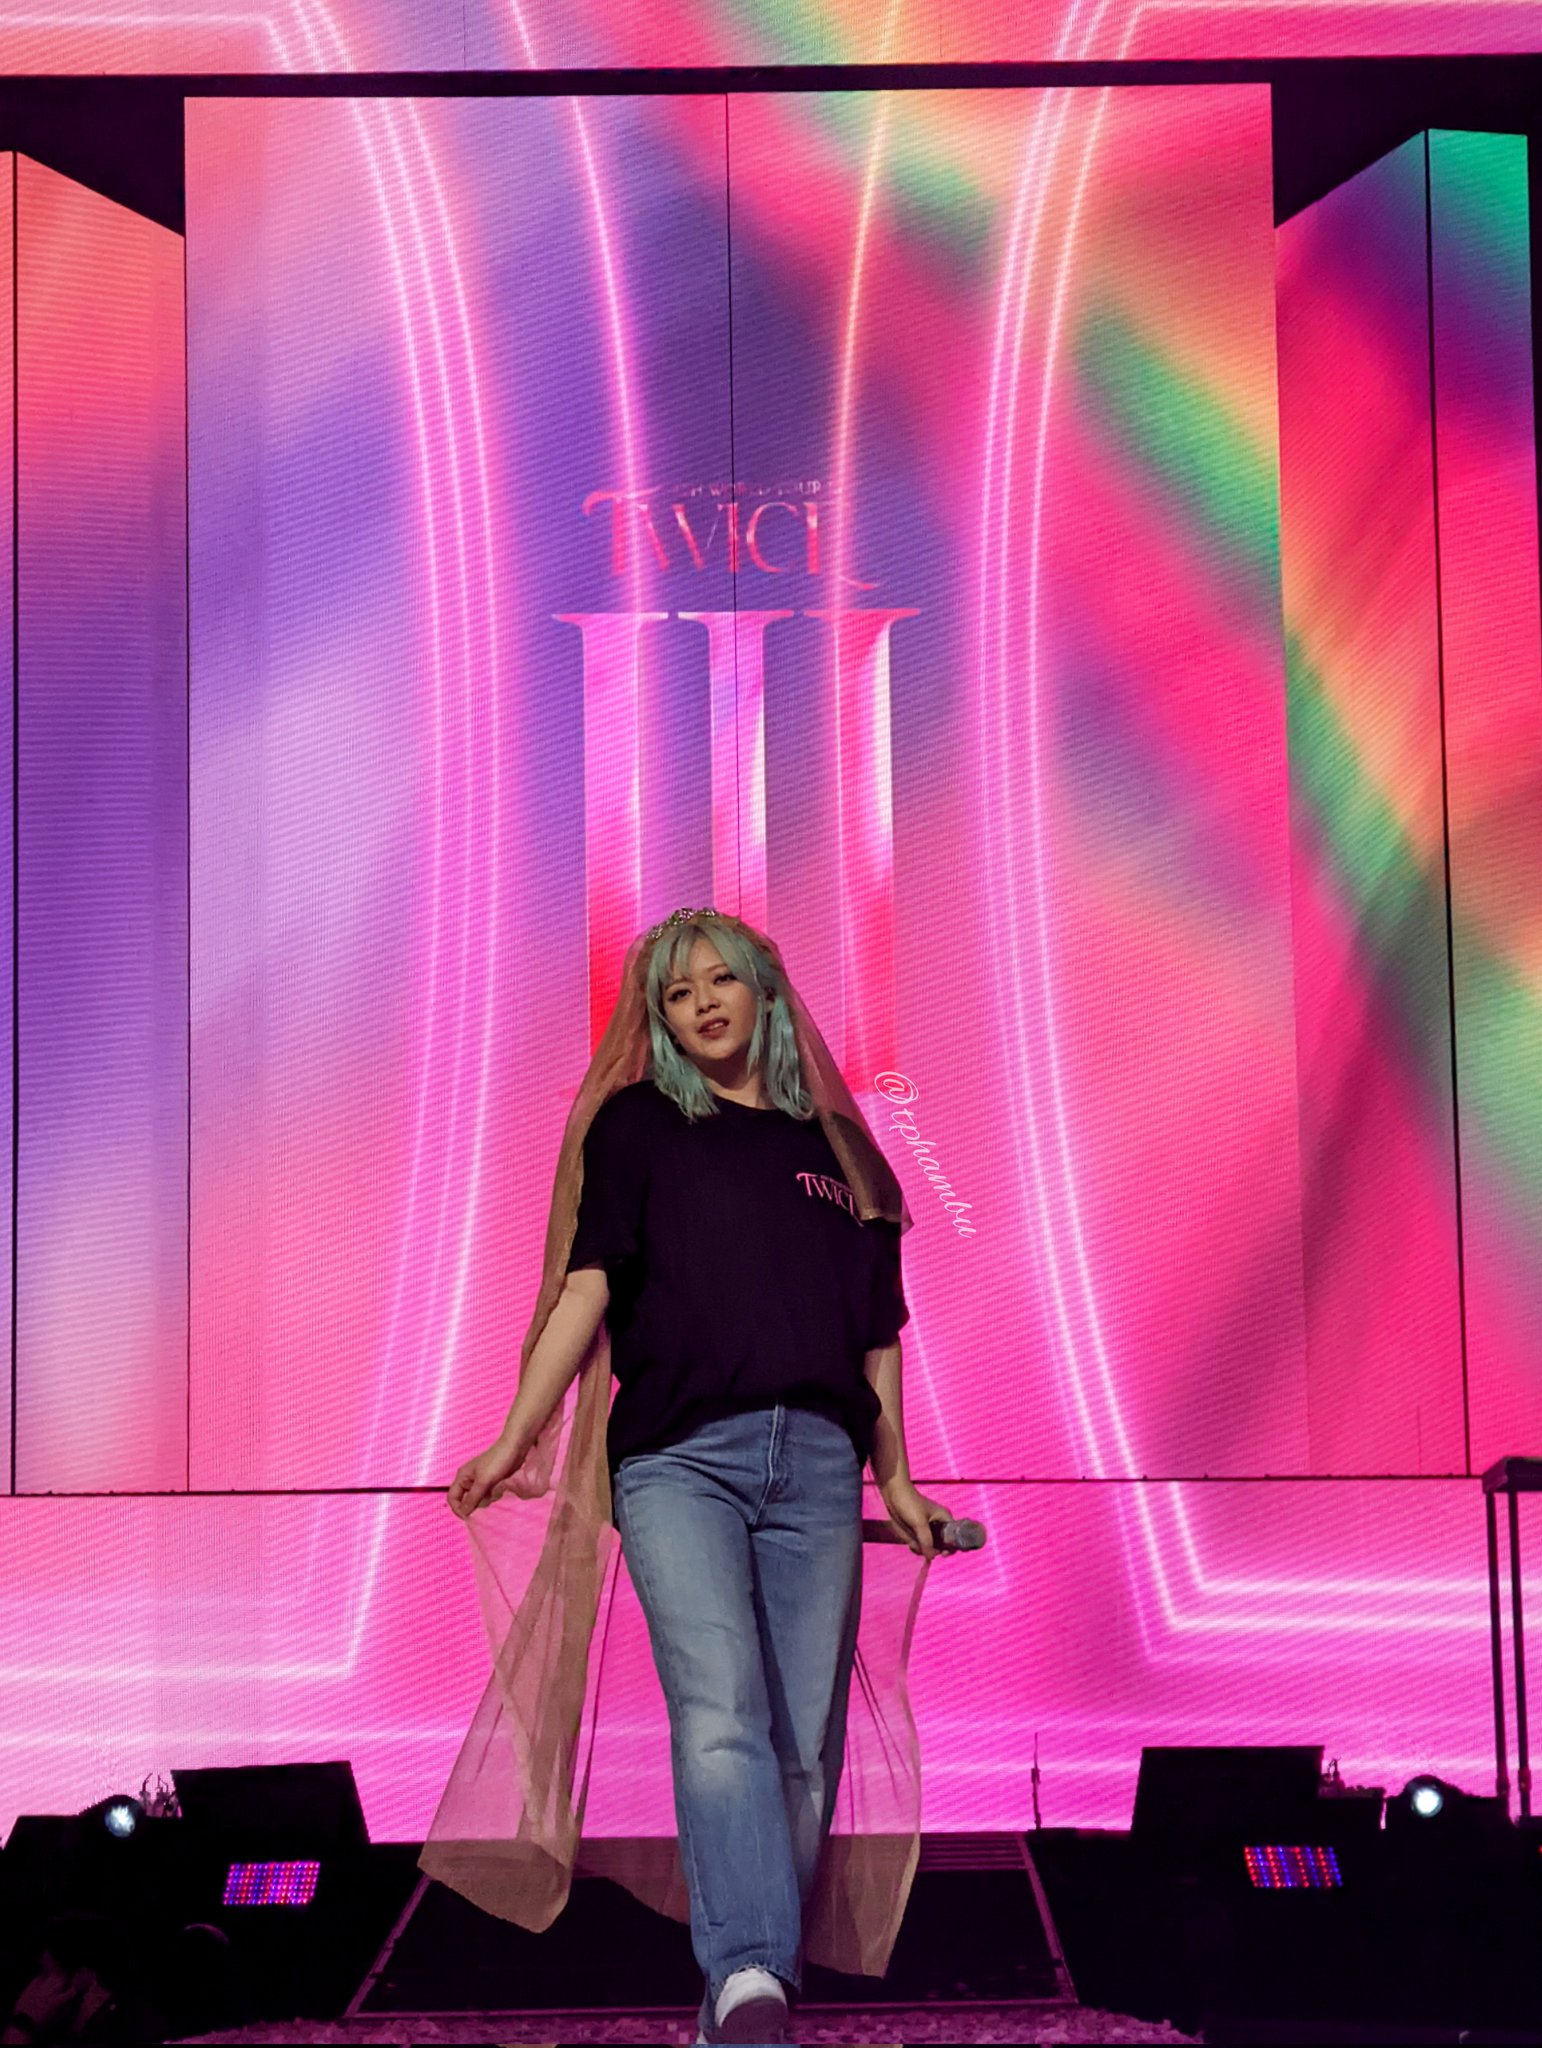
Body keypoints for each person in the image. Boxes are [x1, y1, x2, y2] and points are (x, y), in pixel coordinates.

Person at [436, 908, 948, 2047]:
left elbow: (879, 1332)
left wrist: (899, 1480)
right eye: (678, 991)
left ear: (766, 991)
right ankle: (753, 1968)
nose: (704, 1002)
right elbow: (587, 1286)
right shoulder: (638, 1125)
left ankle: (741, 2013)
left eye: (722, 980)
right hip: (679, 1460)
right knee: (720, 1715)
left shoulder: (841, 1148)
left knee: (803, 1747)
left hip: (819, 1467)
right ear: (659, 1017)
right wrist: (515, 1435)